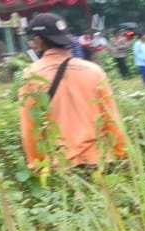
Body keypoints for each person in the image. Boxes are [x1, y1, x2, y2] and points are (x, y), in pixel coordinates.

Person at [19, 14, 128, 173]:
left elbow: (30, 126)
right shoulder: (94, 71)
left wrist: (36, 165)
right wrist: (121, 153)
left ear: (38, 40)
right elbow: (111, 118)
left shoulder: (31, 75)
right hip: (100, 162)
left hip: (59, 166)